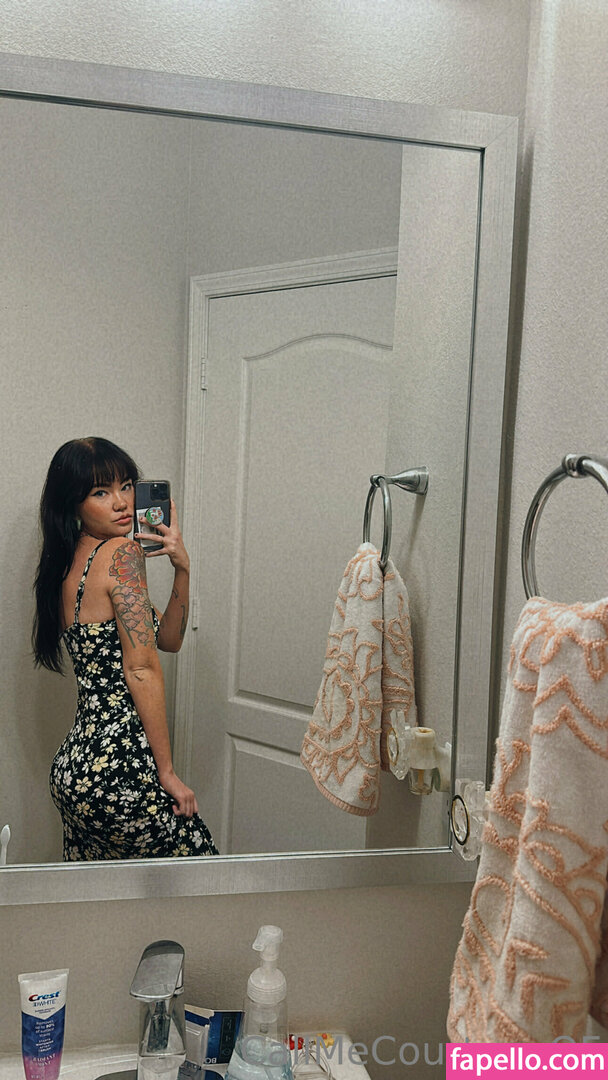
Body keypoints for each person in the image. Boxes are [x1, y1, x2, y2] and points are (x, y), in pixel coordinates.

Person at [32, 436, 218, 861]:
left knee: (103, 894)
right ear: (73, 505)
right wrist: (167, 773)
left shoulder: (68, 564)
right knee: (201, 878)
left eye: (127, 486)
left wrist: (182, 568)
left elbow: (168, 640)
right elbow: (141, 669)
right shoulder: (122, 554)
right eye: (100, 492)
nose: (121, 503)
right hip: (120, 771)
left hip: (75, 770)